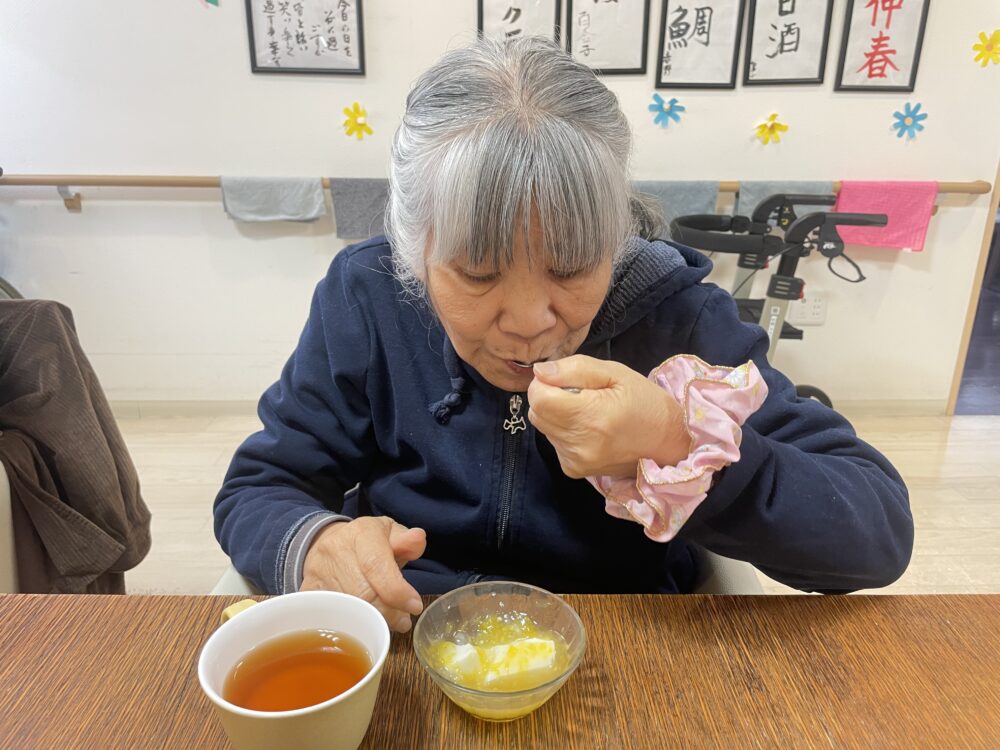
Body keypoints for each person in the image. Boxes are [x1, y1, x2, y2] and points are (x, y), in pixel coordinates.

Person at [214, 37, 913, 633]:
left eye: (572, 267)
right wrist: (315, 544)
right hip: (416, 633)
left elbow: (877, 533)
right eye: (477, 273)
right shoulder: (368, 298)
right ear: (413, 252)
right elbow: (261, 485)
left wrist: (680, 445)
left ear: (615, 238)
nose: (529, 322)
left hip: (628, 645)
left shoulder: (682, 321)